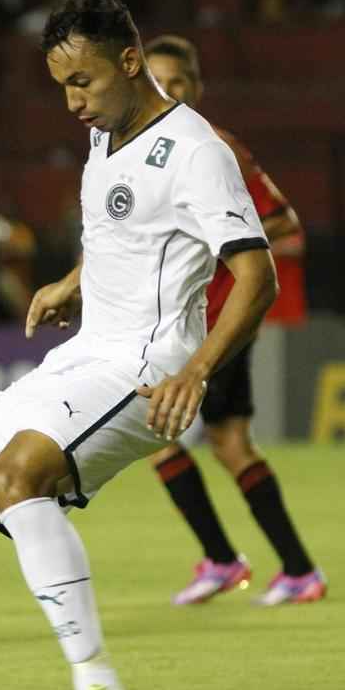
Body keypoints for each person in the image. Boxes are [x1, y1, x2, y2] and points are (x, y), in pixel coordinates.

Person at [0, 0, 279, 690]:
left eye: (83, 82)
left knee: (19, 476)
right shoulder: (107, 132)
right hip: (86, 350)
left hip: (150, 364)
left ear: (130, 62)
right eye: (62, 84)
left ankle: (96, 681)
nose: (72, 101)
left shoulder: (196, 151)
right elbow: (123, 231)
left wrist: (197, 371)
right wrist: (74, 280)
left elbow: (255, 271)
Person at [143, 34, 325, 607]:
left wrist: (222, 235)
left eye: (178, 84)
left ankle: (230, 561)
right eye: (157, 84)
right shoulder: (142, 151)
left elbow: (286, 222)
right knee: (225, 444)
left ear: (197, 89)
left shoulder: (217, 148)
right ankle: (292, 569)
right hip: (186, 319)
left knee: (159, 436)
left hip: (217, 321)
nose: (168, 94)